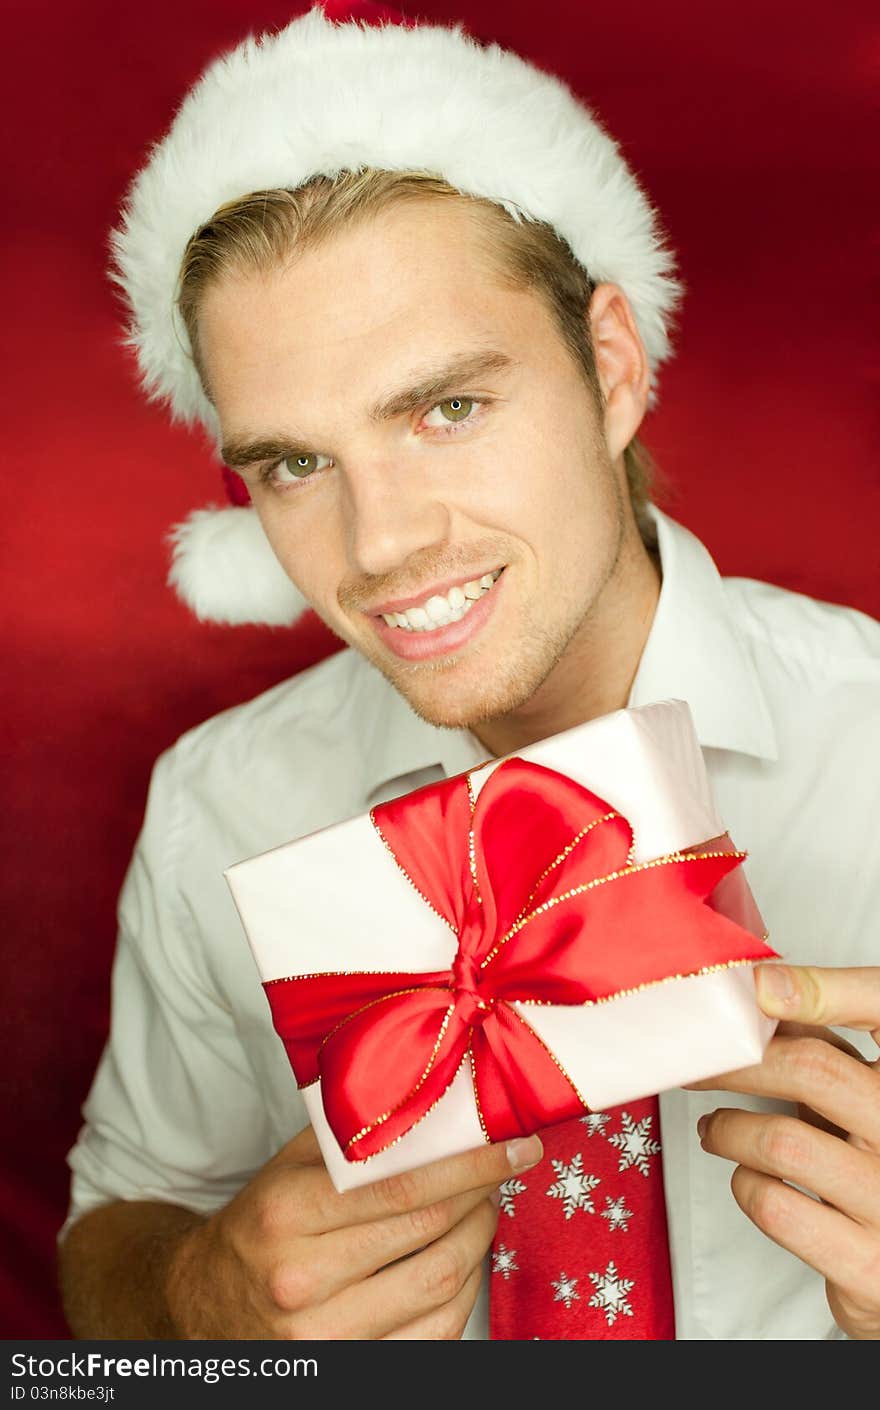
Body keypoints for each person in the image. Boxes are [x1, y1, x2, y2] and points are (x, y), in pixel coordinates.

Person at [58, 4, 880, 1341]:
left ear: (610, 368)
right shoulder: (218, 804)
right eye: (294, 463)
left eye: (447, 408)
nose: (379, 547)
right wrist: (195, 1286)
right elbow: (118, 1221)